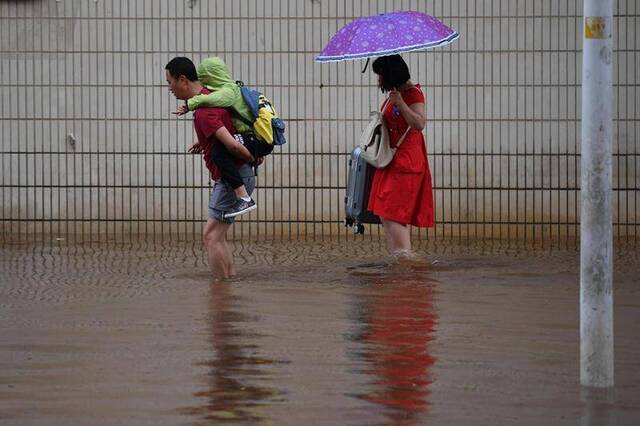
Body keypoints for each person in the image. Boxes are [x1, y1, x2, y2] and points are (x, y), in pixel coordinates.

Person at [165, 56, 255, 279]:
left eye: (170, 82)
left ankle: (220, 293)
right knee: (218, 235)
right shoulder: (209, 97)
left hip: (232, 178)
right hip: (235, 175)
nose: (169, 88)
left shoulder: (205, 111)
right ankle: (230, 284)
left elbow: (232, 145)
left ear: (183, 80)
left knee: (211, 236)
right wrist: (205, 143)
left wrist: (252, 158)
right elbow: (224, 131)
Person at [174, 57, 273, 218]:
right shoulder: (228, 90)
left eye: (204, 80)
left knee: (218, 152)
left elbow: (212, 100)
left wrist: (190, 104)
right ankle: (243, 196)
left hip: (258, 141)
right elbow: (229, 126)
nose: (203, 85)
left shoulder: (228, 91)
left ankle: (244, 198)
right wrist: (203, 141)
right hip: (254, 138)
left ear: (212, 78)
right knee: (212, 236)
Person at [367, 55, 435, 254]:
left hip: (405, 163)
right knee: (386, 213)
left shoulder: (413, 94)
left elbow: (419, 123)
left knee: (394, 214)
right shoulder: (393, 95)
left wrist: (401, 103)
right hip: (391, 161)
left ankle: (406, 264)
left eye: (380, 75)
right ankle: (399, 265)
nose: (378, 80)